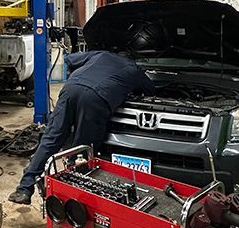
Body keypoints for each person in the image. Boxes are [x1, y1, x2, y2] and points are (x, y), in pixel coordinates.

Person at [9, 49, 155, 205]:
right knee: (81, 150)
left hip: (71, 88)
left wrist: (79, 73)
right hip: (96, 97)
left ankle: (24, 189)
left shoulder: (101, 54)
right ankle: (71, 197)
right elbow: (151, 90)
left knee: (51, 139)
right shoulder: (134, 69)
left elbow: (70, 59)